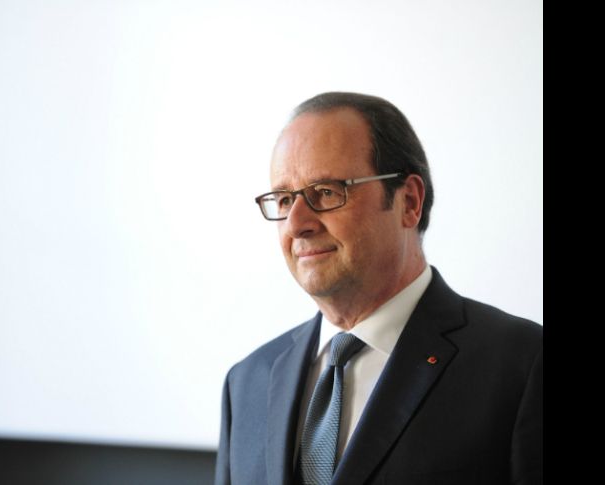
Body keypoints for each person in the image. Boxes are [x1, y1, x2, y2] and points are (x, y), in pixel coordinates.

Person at [214, 92, 542, 485]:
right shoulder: (247, 383)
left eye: (327, 192)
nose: (297, 222)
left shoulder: (523, 367)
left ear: (409, 201)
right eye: (284, 199)